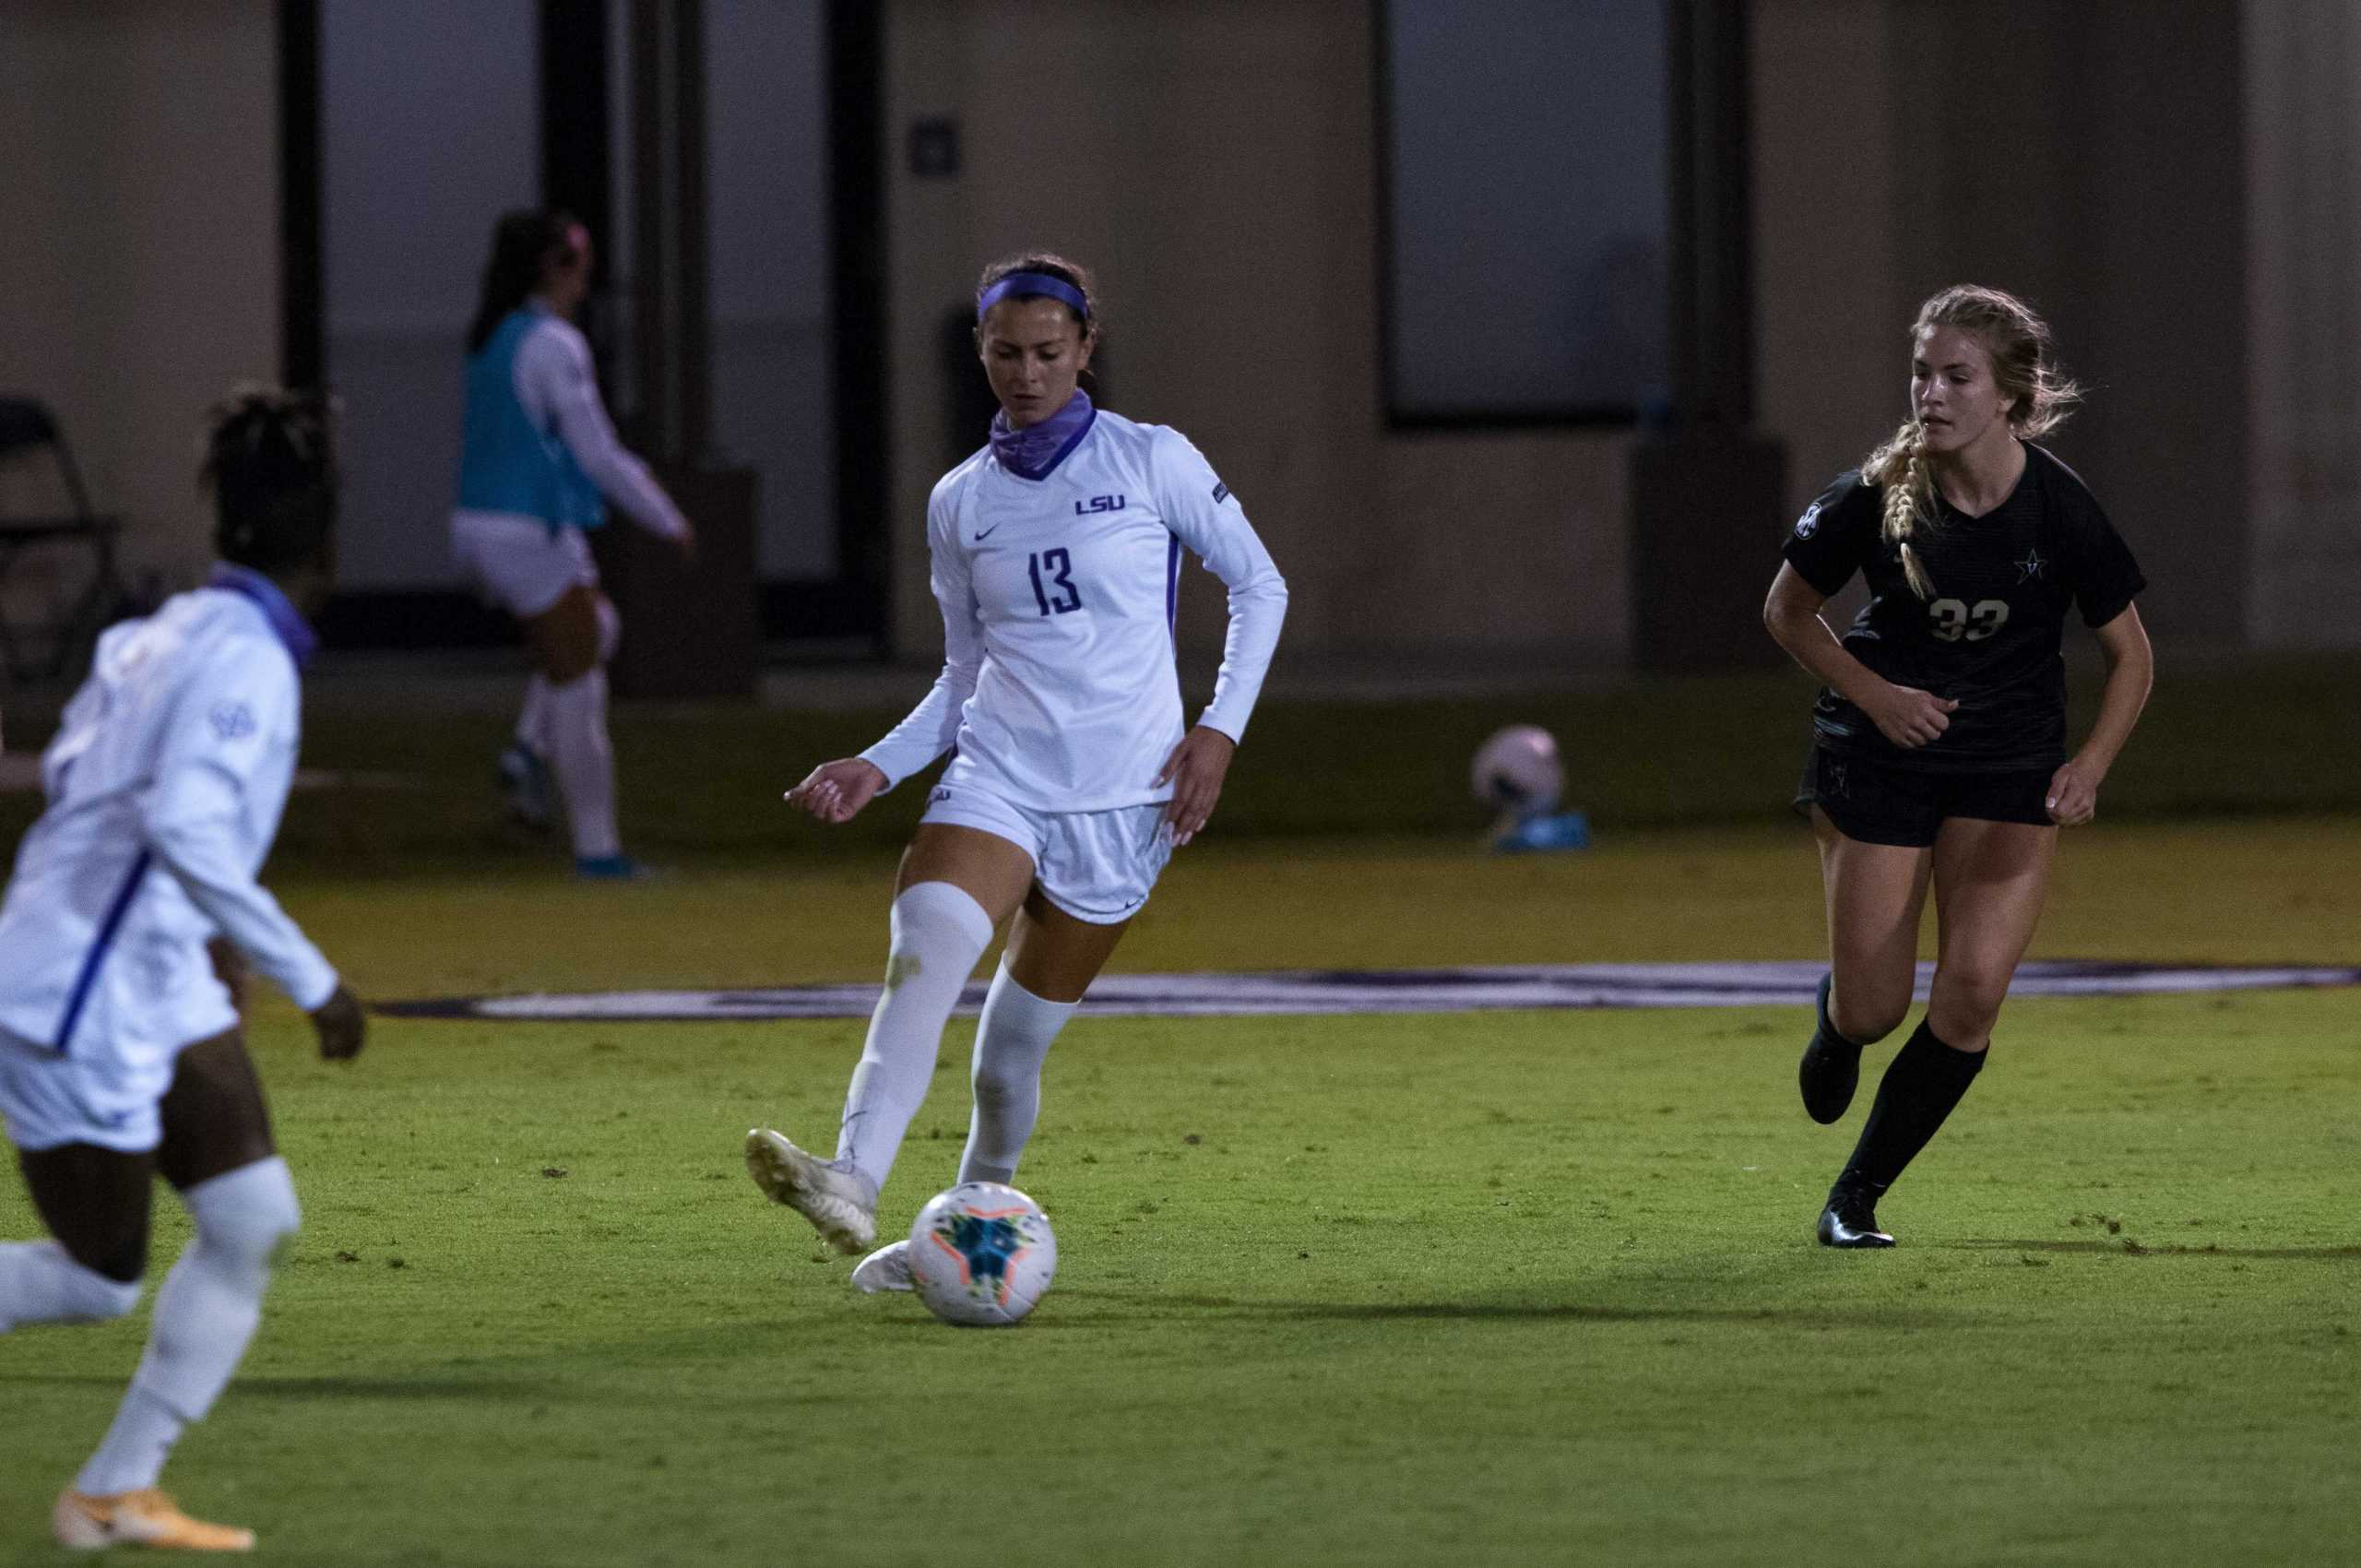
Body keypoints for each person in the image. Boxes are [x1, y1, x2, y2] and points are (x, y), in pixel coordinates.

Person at [744, 254, 1287, 1291]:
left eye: (1049, 352)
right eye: (1006, 353)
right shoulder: (959, 502)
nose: (1028, 373)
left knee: (1007, 1061)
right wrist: (878, 764)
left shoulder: (1152, 460)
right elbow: (962, 674)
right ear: (980, 353)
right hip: (996, 775)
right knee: (925, 956)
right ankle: (850, 1178)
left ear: (1086, 349)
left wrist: (1218, 730)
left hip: (1125, 800)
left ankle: (953, 1229)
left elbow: (1259, 585)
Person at [0, 386, 368, 1550]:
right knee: (100, 1276)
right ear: (326, 543)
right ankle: (111, 1488)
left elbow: (79, 790)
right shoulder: (246, 658)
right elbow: (186, 830)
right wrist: (314, 979)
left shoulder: (149, 631)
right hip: (81, 995)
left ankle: (112, 1491)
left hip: (133, 969)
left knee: (253, 1215)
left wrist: (192, 948)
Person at [1763, 284, 2153, 1248]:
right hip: (1883, 758)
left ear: (2009, 395)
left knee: (1972, 991)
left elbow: (2133, 655)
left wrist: (2091, 765)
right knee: (1875, 1007)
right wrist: (1874, 693)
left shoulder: (2060, 509)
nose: (1930, 393)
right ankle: (1836, 1018)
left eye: (1955, 376)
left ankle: (1853, 1199)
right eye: (1921, 372)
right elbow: (1784, 609)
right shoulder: (1876, 493)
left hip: (2007, 766)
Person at [450, 208, 694, 878]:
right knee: (580, 689)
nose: (588, 280)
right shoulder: (556, 344)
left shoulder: (495, 333)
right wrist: (666, 517)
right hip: (526, 530)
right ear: (552, 268)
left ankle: (527, 749)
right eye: (579, 263)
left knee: (600, 628)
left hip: (478, 526)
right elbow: (598, 453)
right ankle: (598, 851)